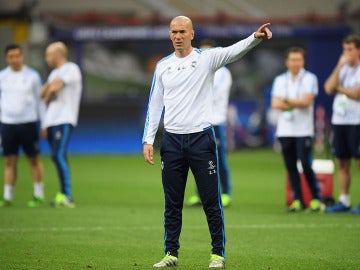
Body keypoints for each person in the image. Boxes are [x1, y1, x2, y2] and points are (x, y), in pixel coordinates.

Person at [142, 15, 272, 268]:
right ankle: (171, 253)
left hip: (201, 139)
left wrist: (255, 38)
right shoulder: (163, 66)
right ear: (170, 35)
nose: (177, 36)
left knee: (211, 201)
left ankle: (217, 254)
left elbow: (234, 51)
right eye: (173, 31)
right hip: (171, 141)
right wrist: (148, 139)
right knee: (172, 203)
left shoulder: (206, 59)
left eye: (182, 31)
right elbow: (155, 104)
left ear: (192, 34)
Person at [271, 47, 322, 212]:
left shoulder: (310, 78)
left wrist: (286, 100)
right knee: (291, 167)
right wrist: (295, 101)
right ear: (287, 61)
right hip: (285, 130)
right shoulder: (280, 80)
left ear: (303, 61)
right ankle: (298, 200)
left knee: (306, 164)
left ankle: (316, 198)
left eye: (298, 60)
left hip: (303, 130)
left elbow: (306, 102)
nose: (295, 63)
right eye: (292, 60)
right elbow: (275, 104)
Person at [186, 39, 233, 208]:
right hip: (199, 122)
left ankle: (226, 192)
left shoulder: (223, 73)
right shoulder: (195, 71)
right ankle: (201, 195)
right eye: (202, 52)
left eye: (208, 52)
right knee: (198, 160)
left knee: (219, 158)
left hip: (215, 121)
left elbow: (210, 93)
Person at [0, 44, 46, 207]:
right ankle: (7, 196)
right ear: (7, 58)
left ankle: (38, 194)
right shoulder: (2, 77)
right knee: (9, 161)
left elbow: (40, 100)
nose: (14, 59)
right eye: (11, 56)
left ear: (22, 56)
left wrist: (44, 123)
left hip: (28, 123)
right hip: (7, 124)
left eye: (17, 56)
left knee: (33, 159)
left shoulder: (32, 76)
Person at [40, 42, 82, 208]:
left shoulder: (71, 68)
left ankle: (67, 195)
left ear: (58, 55)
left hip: (65, 118)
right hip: (52, 119)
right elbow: (42, 96)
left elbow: (52, 91)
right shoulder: (54, 74)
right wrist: (50, 88)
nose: (46, 58)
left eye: (48, 55)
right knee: (55, 156)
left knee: (59, 155)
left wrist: (50, 88)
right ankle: (62, 194)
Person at [324, 34, 360, 214]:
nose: (346, 53)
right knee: (342, 161)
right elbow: (328, 87)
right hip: (340, 121)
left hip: (357, 121)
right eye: (345, 49)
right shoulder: (343, 68)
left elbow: (356, 94)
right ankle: (344, 200)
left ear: (358, 50)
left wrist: (340, 88)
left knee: (359, 162)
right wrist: (339, 66)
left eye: (350, 49)